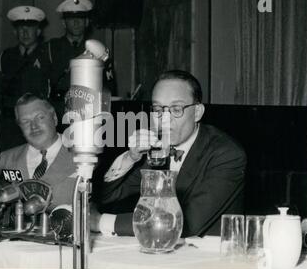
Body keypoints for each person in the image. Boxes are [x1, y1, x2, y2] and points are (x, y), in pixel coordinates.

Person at [91, 70, 247, 238]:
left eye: (176, 109)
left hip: (207, 257)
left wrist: (101, 222)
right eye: (158, 109)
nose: (164, 119)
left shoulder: (227, 154)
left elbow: (186, 222)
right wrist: (131, 157)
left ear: (197, 112)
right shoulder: (156, 148)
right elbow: (106, 196)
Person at [0, 93, 77, 209]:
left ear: (54, 118)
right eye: (25, 121)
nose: (34, 126)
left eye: (40, 117)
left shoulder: (81, 155)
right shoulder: (4, 160)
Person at [0, 5, 51, 151]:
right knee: (10, 165)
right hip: (10, 124)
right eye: (20, 28)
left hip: (37, 123)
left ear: (38, 31)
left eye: (29, 28)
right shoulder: (5, 57)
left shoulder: (47, 56)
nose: (25, 32)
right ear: (14, 31)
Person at [47, 0, 116, 119]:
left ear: (87, 22)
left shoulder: (98, 49)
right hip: (57, 113)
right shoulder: (51, 48)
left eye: (80, 18)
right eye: (71, 18)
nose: (76, 22)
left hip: (88, 113)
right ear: (63, 23)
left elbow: (109, 86)